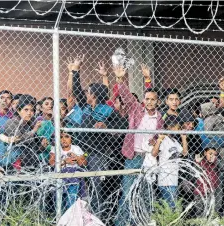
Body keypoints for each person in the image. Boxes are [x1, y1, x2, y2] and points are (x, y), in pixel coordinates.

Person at [70, 56, 128, 216]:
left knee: (96, 187)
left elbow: (123, 126)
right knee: (80, 185)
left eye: (88, 92)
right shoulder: (86, 106)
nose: (86, 94)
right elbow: (76, 90)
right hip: (81, 152)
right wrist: (76, 69)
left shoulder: (107, 110)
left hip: (98, 154)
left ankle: (97, 216)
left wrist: (106, 125)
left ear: (94, 94)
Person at [114, 64, 163, 226]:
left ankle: (141, 222)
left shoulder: (159, 118)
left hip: (149, 159)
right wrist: (120, 79)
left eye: (152, 99)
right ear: (143, 100)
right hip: (133, 157)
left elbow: (160, 135)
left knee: (145, 193)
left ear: (157, 101)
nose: (149, 102)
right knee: (128, 192)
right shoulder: (136, 109)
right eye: (147, 99)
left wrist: (155, 141)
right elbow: (127, 96)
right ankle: (121, 223)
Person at [0, 95, 47, 170]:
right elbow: (19, 140)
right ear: (18, 110)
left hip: (30, 165)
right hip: (15, 165)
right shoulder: (11, 123)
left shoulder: (29, 125)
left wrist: (42, 147)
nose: (29, 113)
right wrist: (34, 130)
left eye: (32, 110)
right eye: (26, 110)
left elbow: (34, 150)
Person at [152, 115, 188, 208]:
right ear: (171, 127)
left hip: (173, 179)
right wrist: (159, 139)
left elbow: (184, 152)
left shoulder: (175, 141)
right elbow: (154, 153)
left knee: (169, 206)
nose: (179, 129)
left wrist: (183, 138)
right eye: (178, 127)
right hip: (165, 180)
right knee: (171, 207)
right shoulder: (164, 140)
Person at [49, 131, 87, 211]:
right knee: (59, 202)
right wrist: (65, 162)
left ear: (71, 139)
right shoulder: (55, 148)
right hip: (60, 176)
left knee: (71, 200)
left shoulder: (76, 148)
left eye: (67, 137)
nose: (63, 139)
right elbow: (51, 163)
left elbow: (84, 164)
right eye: (61, 137)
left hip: (73, 177)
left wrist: (77, 157)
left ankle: (69, 218)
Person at [194, 143, 221, 216]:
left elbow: (222, 168)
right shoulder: (200, 161)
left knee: (210, 210)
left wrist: (217, 160)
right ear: (205, 153)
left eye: (215, 155)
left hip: (211, 191)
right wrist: (198, 161)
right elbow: (194, 170)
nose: (212, 156)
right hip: (200, 191)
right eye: (210, 153)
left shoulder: (217, 163)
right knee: (199, 211)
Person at [34, 97, 54, 164]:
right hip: (42, 151)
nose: (50, 106)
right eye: (46, 104)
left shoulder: (56, 119)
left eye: (52, 104)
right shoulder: (40, 120)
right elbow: (38, 137)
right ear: (41, 108)